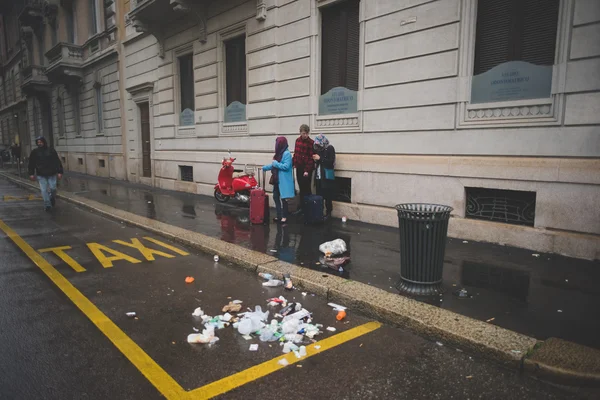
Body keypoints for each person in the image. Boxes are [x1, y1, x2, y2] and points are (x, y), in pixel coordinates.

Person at [262, 136, 294, 224]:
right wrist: (265, 168)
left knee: (284, 199)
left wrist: (275, 163)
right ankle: (279, 215)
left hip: (283, 180)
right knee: (276, 197)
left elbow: (286, 166)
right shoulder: (278, 154)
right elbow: (274, 165)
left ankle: (284, 216)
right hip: (277, 180)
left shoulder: (287, 154)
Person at [28, 136, 63, 212]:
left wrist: (60, 171)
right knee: (44, 190)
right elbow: (31, 163)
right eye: (38, 142)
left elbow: (56, 161)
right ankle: (47, 205)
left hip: (51, 173)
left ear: (44, 142)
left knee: (53, 188)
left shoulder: (51, 150)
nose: (39, 143)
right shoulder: (35, 152)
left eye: (41, 142)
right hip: (41, 174)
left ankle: (52, 197)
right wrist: (31, 173)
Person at [292, 124, 314, 215]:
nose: (305, 135)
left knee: (307, 188)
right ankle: (301, 207)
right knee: (301, 187)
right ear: (300, 132)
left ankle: (308, 208)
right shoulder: (297, 141)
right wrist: (294, 163)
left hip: (307, 168)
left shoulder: (311, 142)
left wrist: (307, 170)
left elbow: (311, 158)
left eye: (306, 133)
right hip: (299, 167)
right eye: (303, 133)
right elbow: (296, 153)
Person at [313, 134, 336, 220]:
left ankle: (328, 213)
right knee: (319, 195)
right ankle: (320, 212)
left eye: (319, 144)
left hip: (326, 176)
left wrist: (320, 159)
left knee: (327, 195)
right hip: (319, 175)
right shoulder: (320, 150)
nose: (318, 147)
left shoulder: (330, 148)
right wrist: (316, 160)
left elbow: (330, 162)